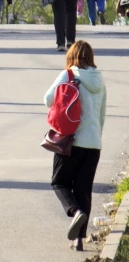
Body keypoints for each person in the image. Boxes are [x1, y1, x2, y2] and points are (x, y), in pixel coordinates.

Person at [44, 41, 106, 252]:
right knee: (83, 189)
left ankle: (74, 211)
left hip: (71, 140)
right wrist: (96, 138)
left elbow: (47, 99)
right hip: (93, 143)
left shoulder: (69, 74)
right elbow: (102, 114)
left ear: (71, 56)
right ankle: (78, 239)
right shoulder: (100, 80)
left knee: (59, 182)